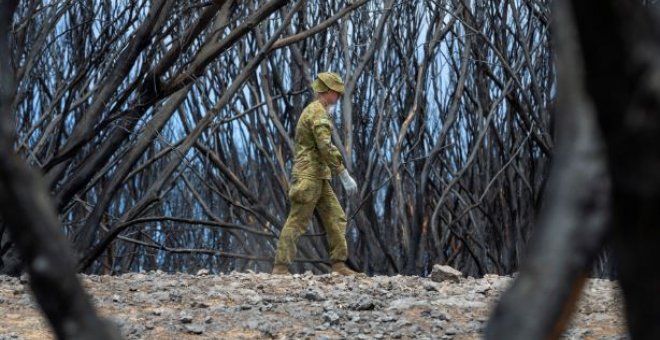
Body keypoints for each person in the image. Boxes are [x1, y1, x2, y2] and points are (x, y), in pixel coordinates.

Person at [272, 72, 360, 276]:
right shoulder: (317, 114)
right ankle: (280, 267)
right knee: (298, 220)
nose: (338, 97)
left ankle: (338, 265)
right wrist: (343, 174)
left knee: (336, 217)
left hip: (319, 177)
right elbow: (325, 146)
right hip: (308, 177)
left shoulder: (318, 111)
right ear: (327, 92)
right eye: (336, 93)